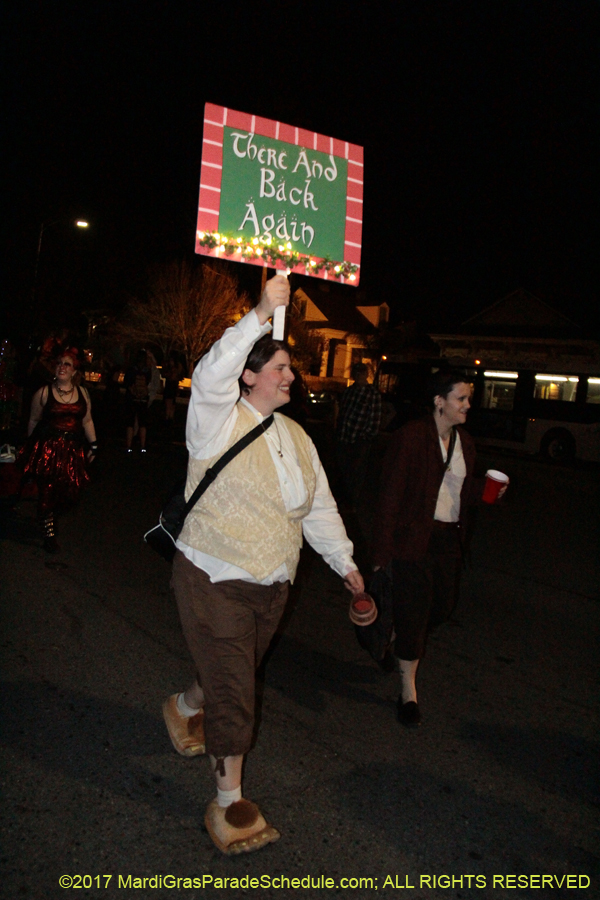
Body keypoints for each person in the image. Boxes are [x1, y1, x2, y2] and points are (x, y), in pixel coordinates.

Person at [163, 275, 364, 855]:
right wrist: (259, 314)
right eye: (279, 368)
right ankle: (230, 803)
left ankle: (183, 707)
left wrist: (346, 566)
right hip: (212, 577)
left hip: (273, 585)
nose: (290, 376)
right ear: (250, 375)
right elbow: (210, 374)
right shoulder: (214, 421)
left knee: (232, 676)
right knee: (236, 691)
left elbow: (318, 507)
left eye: (290, 370)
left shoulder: (299, 436)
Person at [372, 370, 507, 727]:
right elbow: (389, 496)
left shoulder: (465, 442)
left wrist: (484, 492)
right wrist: (381, 554)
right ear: (439, 401)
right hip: (414, 540)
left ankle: (401, 634)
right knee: (415, 613)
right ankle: (408, 692)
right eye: (461, 398)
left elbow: (458, 489)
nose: (468, 405)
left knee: (443, 607)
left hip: (449, 539)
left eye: (468, 398)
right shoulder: (411, 438)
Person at [19, 349, 97, 552]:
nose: (62, 367)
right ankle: (49, 532)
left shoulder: (82, 393)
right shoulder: (44, 393)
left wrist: (94, 445)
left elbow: (87, 420)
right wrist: (30, 446)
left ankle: (48, 515)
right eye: (59, 363)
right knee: (47, 490)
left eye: (67, 364)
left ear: (74, 371)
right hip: (49, 450)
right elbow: (33, 420)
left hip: (72, 452)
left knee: (70, 493)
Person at [335, 362, 382, 510]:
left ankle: (352, 503)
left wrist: (366, 437)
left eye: (361, 373)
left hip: (359, 440)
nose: (359, 376)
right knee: (342, 470)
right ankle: (342, 499)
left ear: (366, 375)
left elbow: (375, 419)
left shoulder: (372, 394)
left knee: (356, 473)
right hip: (344, 438)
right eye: (357, 373)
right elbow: (343, 413)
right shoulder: (349, 391)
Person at [124, 350, 152, 453]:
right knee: (142, 423)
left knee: (130, 422)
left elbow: (126, 383)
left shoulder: (131, 369)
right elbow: (149, 383)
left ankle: (129, 446)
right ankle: (143, 446)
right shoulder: (147, 371)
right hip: (143, 399)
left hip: (131, 398)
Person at [162, 352, 183, 427]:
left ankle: (169, 417)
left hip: (172, 386)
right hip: (171, 386)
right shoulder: (173, 368)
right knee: (170, 403)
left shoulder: (173, 368)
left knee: (171, 403)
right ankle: (169, 417)